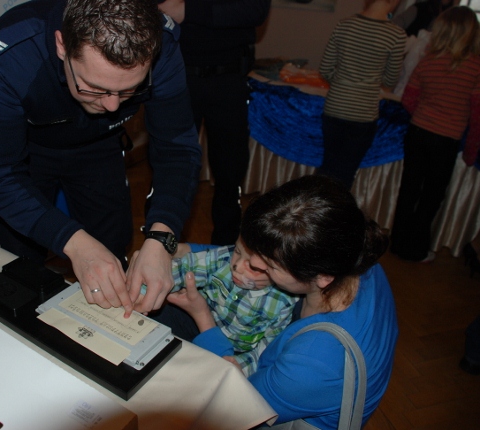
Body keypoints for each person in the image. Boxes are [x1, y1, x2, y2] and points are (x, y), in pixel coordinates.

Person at [0, 0, 202, 317]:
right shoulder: (12, 53)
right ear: (62, 45)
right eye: (95, 88)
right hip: (27, 154)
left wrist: (162, 238)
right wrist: (73, 243)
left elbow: (178, 149)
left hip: (101, 146)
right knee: (19, 268)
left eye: (129, 90)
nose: (112, 106)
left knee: (111, 251)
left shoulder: (163, 41)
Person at [170, 175, 398, 428]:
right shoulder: (351, 254)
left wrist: (203, 316)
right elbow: (256, 251)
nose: (252, 265)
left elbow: (235, 400)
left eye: (267, 266)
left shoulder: (310, 365)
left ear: (322, 277)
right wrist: (183, 249)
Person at [157, 0, 271, 245]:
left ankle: (227, 250)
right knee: (171, 166)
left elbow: (255, 10)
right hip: (177, 74)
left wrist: (189, 10)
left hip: (228, 78)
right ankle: (161, 244)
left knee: (230, 169)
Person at [390, 6, 480, 263]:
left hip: (418, 133)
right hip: (446, 140)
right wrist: (471, 150)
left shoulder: (428, 60)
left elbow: (408, 99)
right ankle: (417, 249)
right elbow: (477, 115)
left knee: (409, 190)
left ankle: (398, 243)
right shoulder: (475, 67)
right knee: (431, 196)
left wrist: (426, 113)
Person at [140, 236, 297, 376]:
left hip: (235, 351)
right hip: (194, 321)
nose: (236, 266)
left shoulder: (283, 303)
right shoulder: (223, 257)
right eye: (237, 251)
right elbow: (185, 267)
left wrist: (241, 365)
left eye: (253, 267)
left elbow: (266, 350)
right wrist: (145, 291)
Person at [317, 0, 406, 190]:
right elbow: (390, 80)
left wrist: (342, 84)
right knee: (345, 174)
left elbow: (325, 69)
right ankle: (334, 208)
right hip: (363, 113)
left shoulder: (345, 24)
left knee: (327, 167)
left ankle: (314, 205)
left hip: (335, 106)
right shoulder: (396, 35)